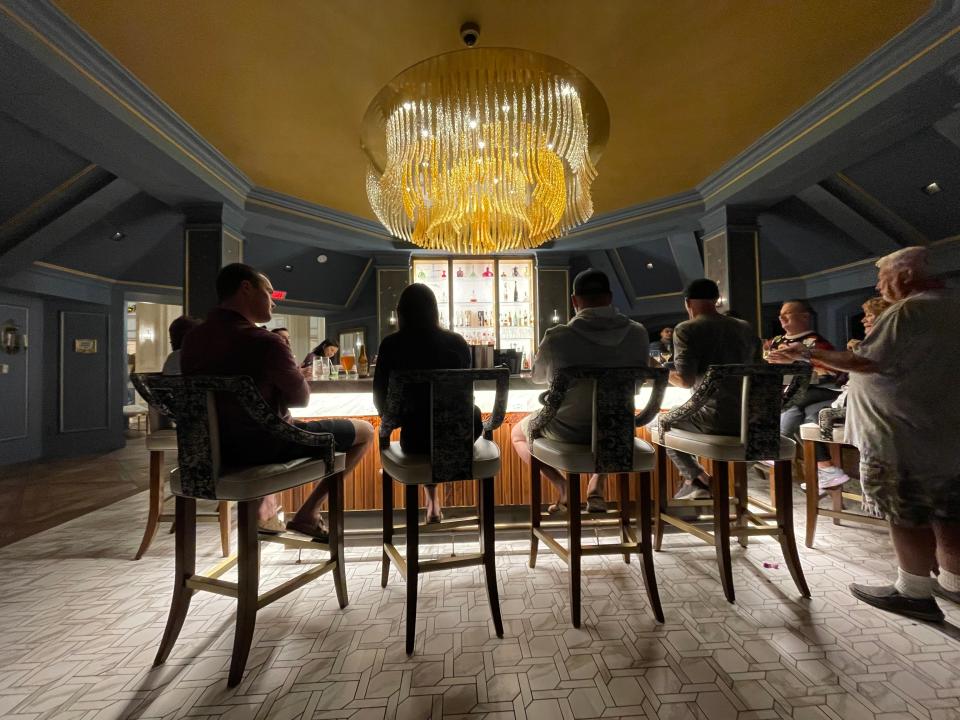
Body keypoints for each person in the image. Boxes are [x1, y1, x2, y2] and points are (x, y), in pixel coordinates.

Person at [768, 246, 960, 622]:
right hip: (944, 431)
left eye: (882, 276)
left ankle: (914, 592)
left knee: (905, 510)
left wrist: (802, 356)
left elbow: (865, 361)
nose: (877, 284)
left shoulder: (908, 310)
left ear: (904, 276)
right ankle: (954, 582)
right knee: (948, 510)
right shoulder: (953, 305)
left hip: (901, 432)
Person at [181, 263, 374, 538]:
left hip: (209, 454)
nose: (273, 301)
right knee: (365, 431)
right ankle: (309, 512)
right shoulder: (266, 342)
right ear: (246, 289)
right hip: (267, 447)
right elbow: (301, 398)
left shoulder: (192, 340)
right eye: (269, 293)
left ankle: (267, 508)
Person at [511, 268, 649, 514]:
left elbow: (538, 378)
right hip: (617, 432)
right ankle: (596, 488)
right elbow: (639, 382)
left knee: (517, 434)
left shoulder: (558, 337)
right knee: (607, 421)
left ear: (574, 301)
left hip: (567, 432)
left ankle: (563, 487)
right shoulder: (638, 333)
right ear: (610, 297)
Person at [373, 284, 482, 522]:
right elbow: (466, 397)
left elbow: (381, 402)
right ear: (435, 311)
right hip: (461, 437)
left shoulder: (391, 345)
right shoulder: (457, 342)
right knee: (442, 424)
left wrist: (391, 425)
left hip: (415, 442)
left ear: (400, 312)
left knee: (422, 424)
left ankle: (431, 499)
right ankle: (435, 499)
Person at [661, 279, 761, 499]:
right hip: (753, 421)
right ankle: (705, 483)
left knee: (662, 423)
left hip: (715, 421)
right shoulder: (744, 327)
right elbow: (760, 372)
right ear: (716, 300)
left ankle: (697, 478)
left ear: (687, 303)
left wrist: (661, 372)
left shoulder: (686, 329)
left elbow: (685, 381)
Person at [767, 299, 848, 492]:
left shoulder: (815, 342)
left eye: (787, 314)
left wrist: (796, 361)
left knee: (796, 401)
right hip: (794, 395)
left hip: (822, 392)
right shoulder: (776, 341)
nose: (781, 318)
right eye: (780, 315)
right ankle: (826, 468)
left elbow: (832, 370)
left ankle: (777, 445)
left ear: (804, 317)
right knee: (803, 413)